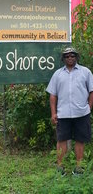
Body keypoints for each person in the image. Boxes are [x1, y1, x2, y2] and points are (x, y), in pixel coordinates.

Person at [46, 47, 93, 175]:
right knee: (61, 140)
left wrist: (89, 107)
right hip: (63, 113)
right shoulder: (57, 74)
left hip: (81, 113)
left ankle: (78, 168)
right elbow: (52, 95)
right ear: (63, 59)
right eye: (67, 56)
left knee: (80, 140)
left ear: (76, 57)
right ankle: (60, 168)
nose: (70, 58)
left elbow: (91, 91)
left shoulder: (85, 72)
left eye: (72, 55)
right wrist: (53, 113)